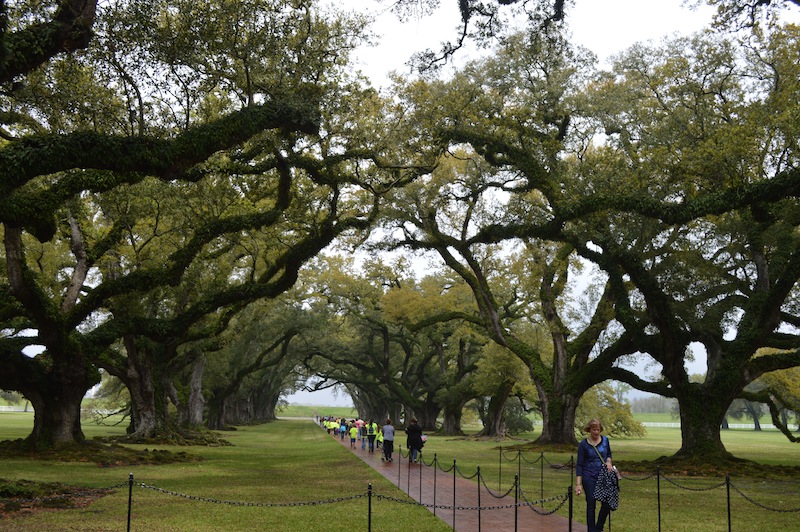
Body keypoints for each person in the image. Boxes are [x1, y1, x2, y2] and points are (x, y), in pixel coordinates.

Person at [575, 418, 614, 532]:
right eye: (593, 430)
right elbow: (579, 464)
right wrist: (578, 484)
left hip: (603, 476)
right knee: (591, 504)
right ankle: (591, 530)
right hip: (589, 476)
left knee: (606, 503)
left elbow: (609, 454)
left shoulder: (606, 441)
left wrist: (609, 461)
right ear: (589, 430)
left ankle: (599, 528)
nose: (596, 432)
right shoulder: (584, 444)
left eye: (598, 430)